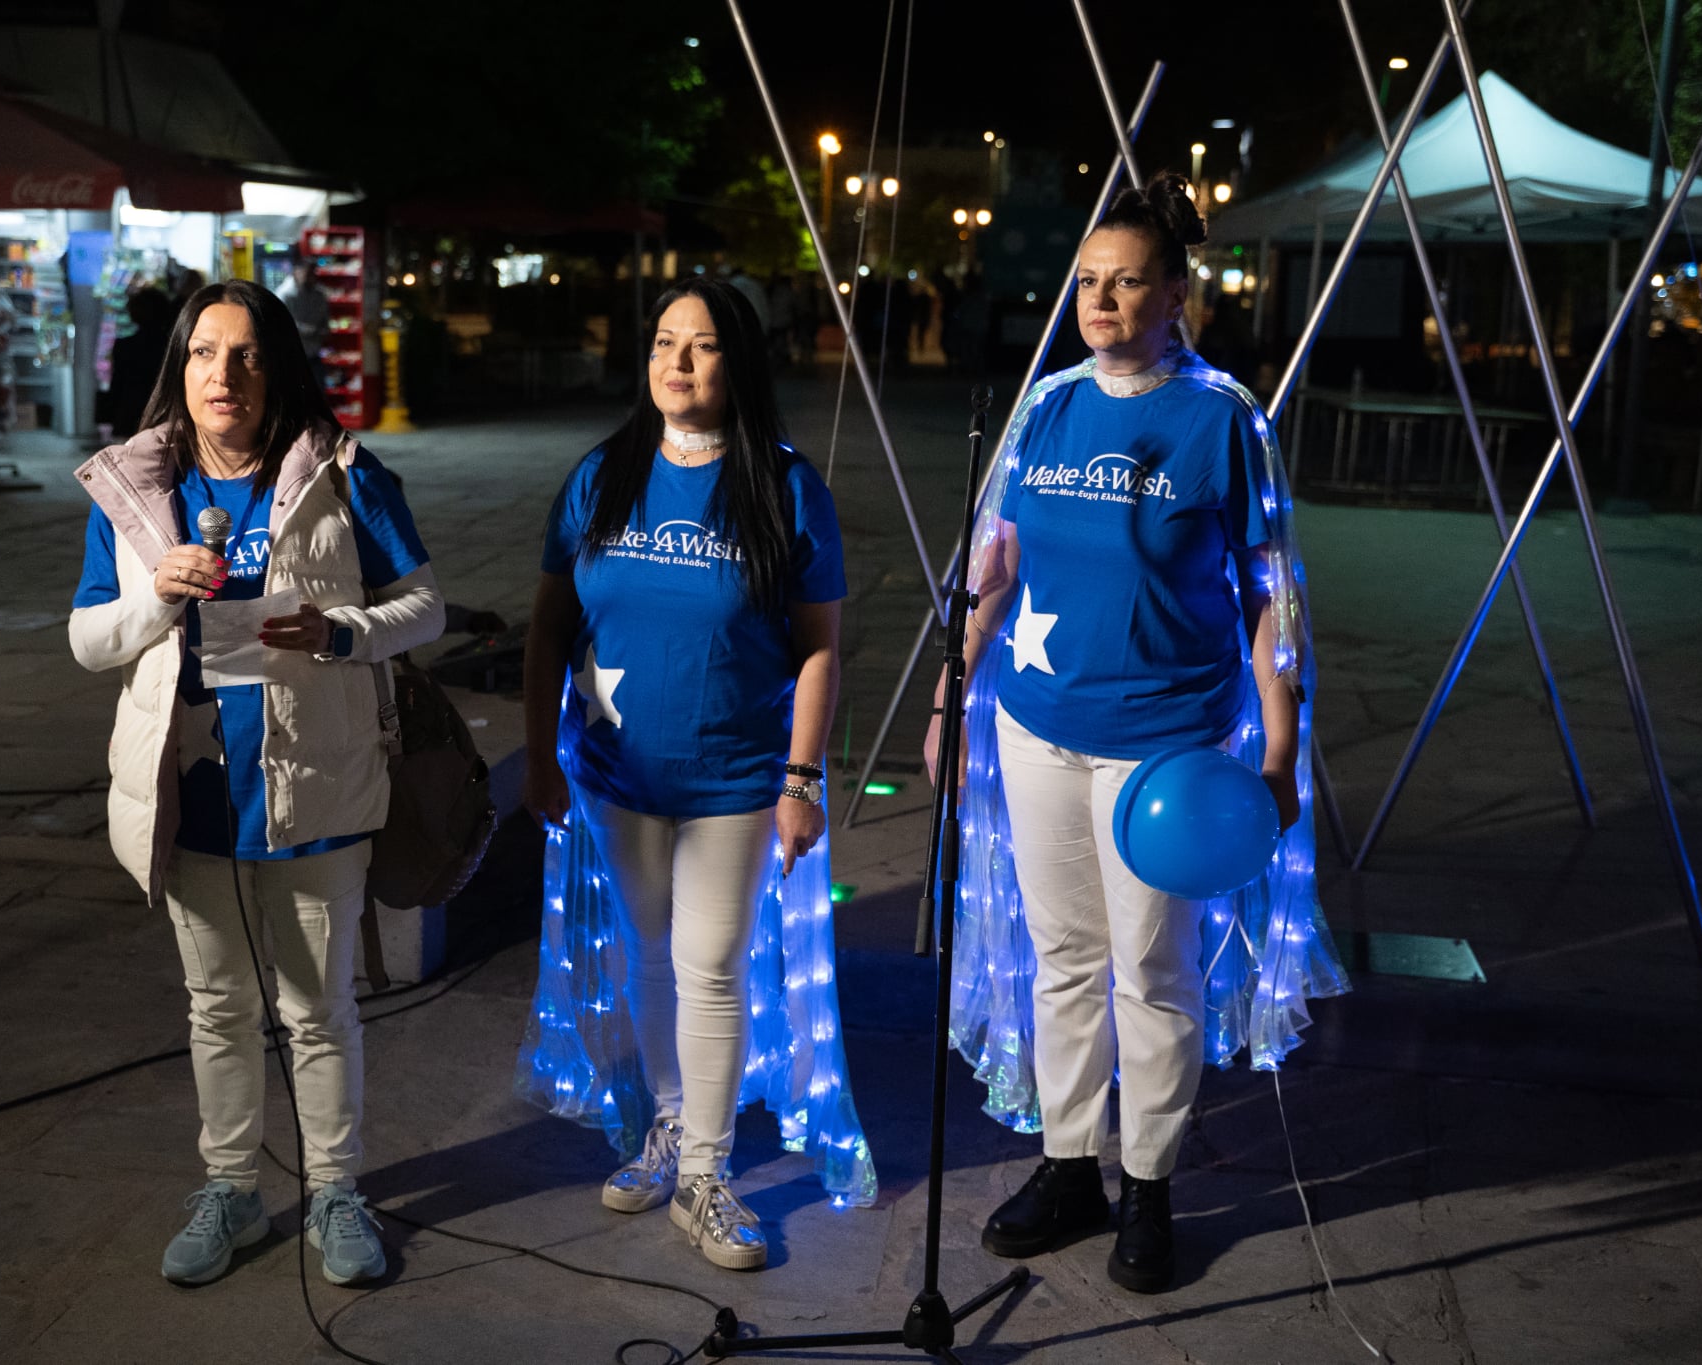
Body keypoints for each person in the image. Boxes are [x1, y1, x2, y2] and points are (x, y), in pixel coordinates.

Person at [927, 172, 1338, 1293]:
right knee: (1062, 957)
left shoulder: (1220, 419)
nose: (1100, 302)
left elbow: (1271, 594)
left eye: (1126, 283)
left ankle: (1149, 1184)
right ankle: (1070, 1167)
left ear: (1175, 297)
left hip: (1165, 750)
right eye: (1087, 282)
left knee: (1151, 969)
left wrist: (1278, 748)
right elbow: (995, 566)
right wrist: (949, 699)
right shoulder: (1046, 407)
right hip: (1038, 725)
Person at [68, 279, 445, 1288]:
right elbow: (88, 639)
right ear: (179, 368)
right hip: (192, 798)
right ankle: (231, 1187)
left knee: (318, 1010)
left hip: (316, 792)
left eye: (244, 354)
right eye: (203, 353)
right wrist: (155, 597)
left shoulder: (343, 474)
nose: (222, 374)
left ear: (276, 366)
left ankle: (335, 1190)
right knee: (217, 1007)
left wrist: (340, 631)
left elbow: (423, 607)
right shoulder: (133, 488)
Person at [520, 278, 850, 1271]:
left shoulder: (785, 487)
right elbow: (547, 627)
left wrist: (801, 780)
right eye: (665, 342)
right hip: (616, 773)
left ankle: (706, 1173)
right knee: (649, 957)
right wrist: (538, 753)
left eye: (701, 346)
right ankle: (667, 1123)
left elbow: (820, 648)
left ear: (737, 362)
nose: (677, 362)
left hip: (734, 778)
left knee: (710, 964)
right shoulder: (601, 475)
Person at [102, 287, 170, 439]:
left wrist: (111, 413)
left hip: (129, 410)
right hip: (162, 411)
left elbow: (117, 383)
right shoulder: (171, 346)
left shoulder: (124, 346)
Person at [277, 255, 332, 388]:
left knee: (317, 393)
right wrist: (310, 330)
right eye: (307, 273)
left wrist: (323, 331)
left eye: (313, 273)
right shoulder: (284, 294)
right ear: (296, 272)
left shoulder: (319, 294)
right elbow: (281, 324)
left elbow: (325, 321)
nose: (311, 277)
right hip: (291, 358)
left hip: (313, 355)